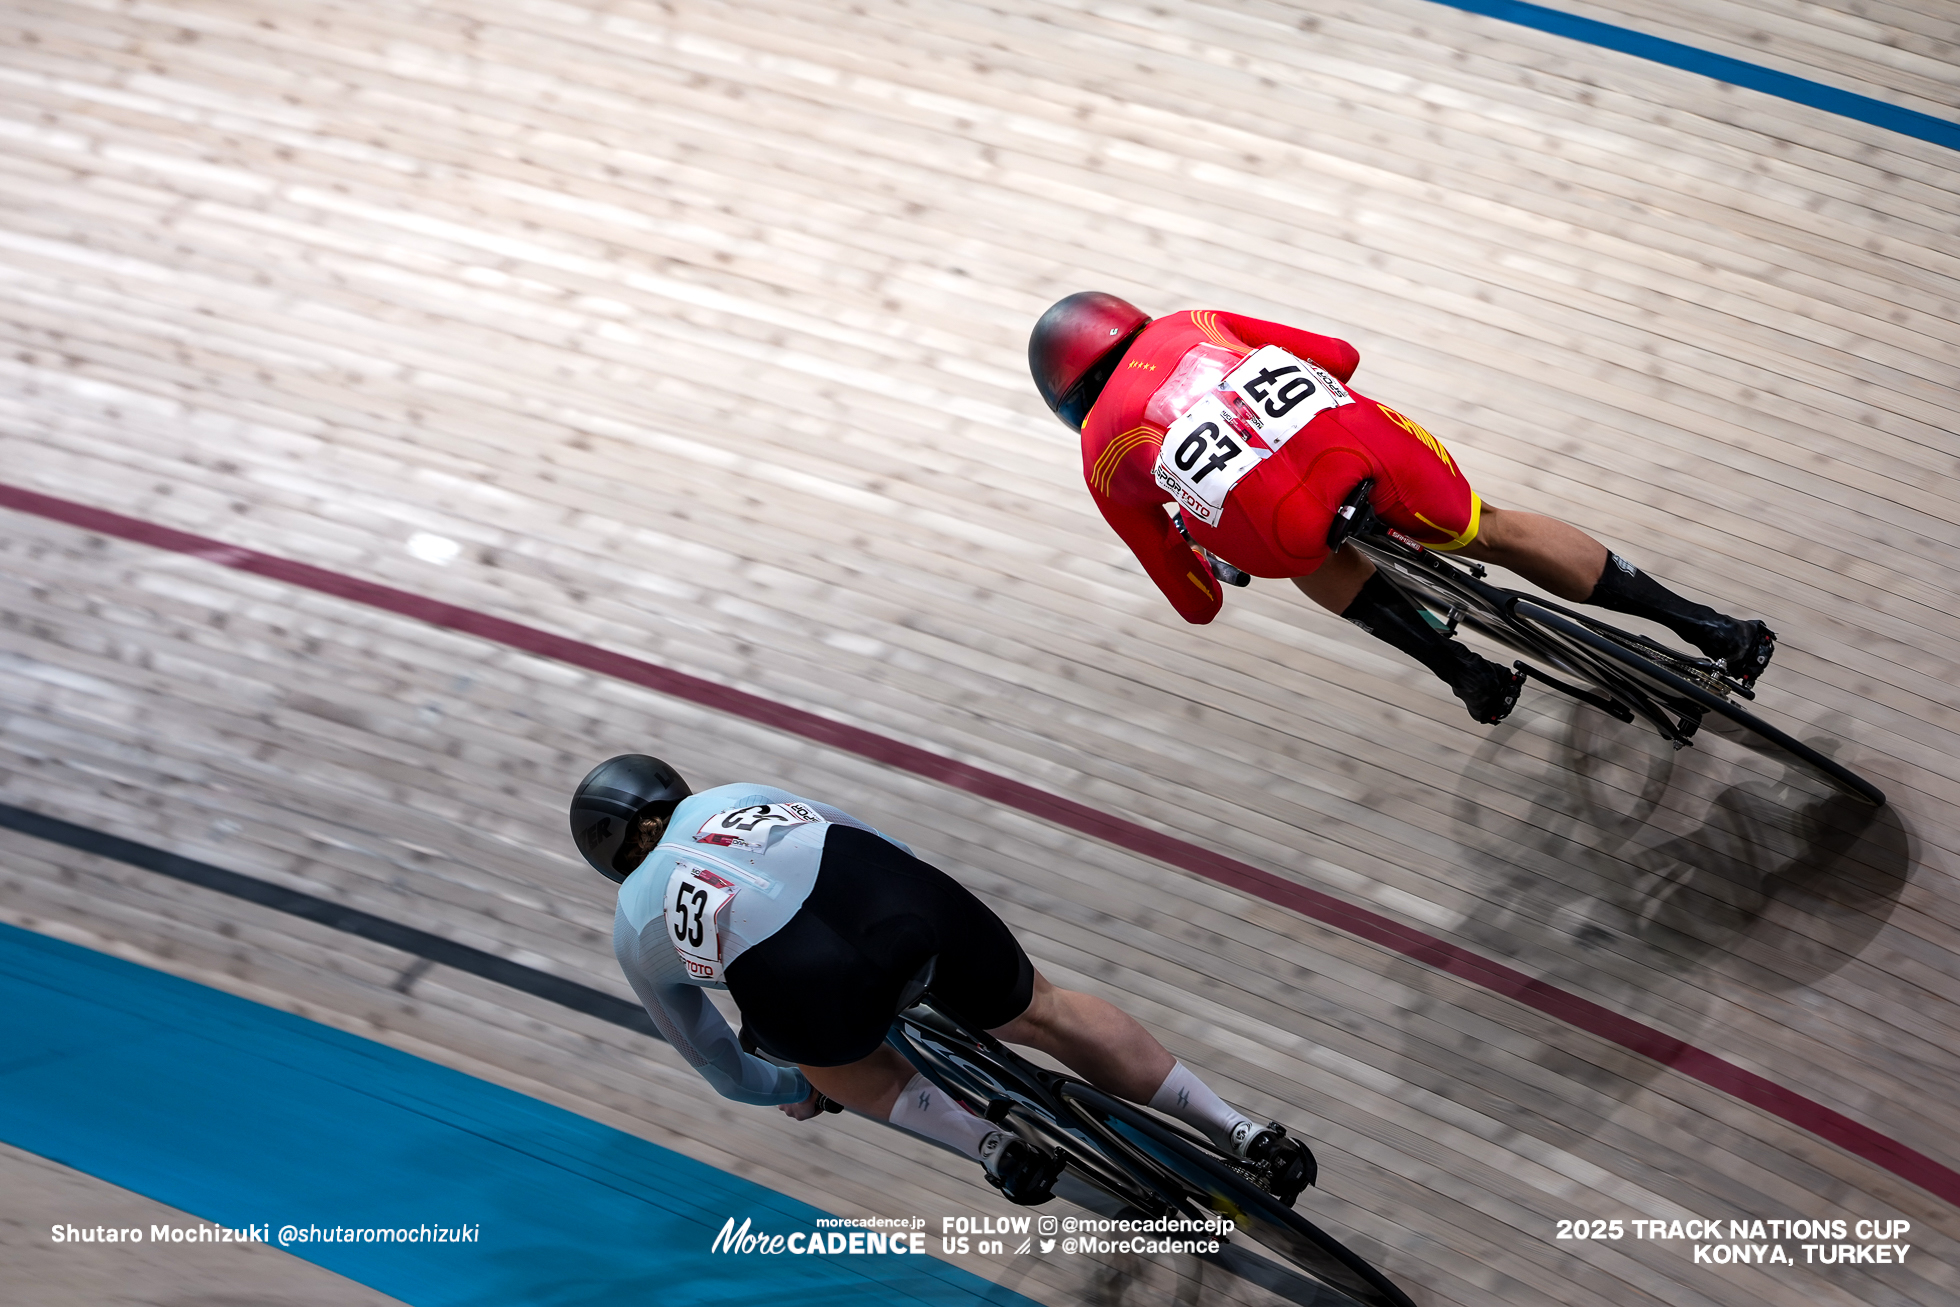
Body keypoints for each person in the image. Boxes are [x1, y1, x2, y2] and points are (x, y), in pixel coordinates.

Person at [572, 753, 1315, 1206]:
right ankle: (1242, 1130)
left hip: (810, 988)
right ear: (672, 789)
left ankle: (993, 1147)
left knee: (856, 1072)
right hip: (899, 900)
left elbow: (719, 1065)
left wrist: (802, 1088)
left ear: (610, 861)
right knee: (1046, 1010)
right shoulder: (733, 794)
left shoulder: (634, 925)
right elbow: (880, 840)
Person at [1028, 292, 1775, 724]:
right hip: (1373, 456)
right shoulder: (1193, 321)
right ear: (1128, 319)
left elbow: (1196, 605)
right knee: (1492, 529)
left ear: (1068, 403)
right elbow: (1342, 355)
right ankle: (1713, 628)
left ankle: (1462, 671)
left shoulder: (1101, 453)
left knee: (1308, 559)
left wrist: (1194, 534)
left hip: (1283, 533)